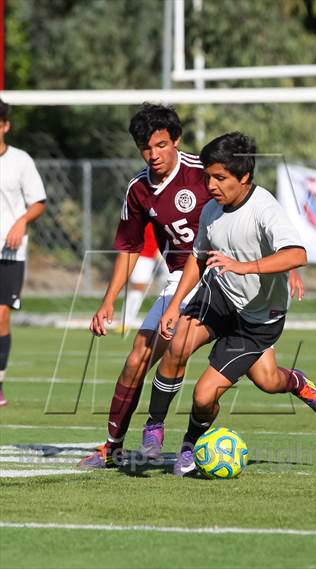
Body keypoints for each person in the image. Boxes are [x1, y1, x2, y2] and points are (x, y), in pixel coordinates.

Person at [79, 105, 304, 469]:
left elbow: (260, 220)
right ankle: (113, 447)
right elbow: (130, 248)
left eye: (161, 145)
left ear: (176, 140)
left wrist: (285, 270)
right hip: (183, 278)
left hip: (231, 281)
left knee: (264, 378)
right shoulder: (139, 189)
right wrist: (108, 301)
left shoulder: (207, 171)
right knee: (140, 357)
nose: (153, 155)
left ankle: (183, 435)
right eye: (145, 148)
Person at [154, 132, 316, 476]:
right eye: (207, 176)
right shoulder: (211, 210)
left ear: (245, 177)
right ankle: (158, 429)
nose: (210, 185)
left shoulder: (265, 208)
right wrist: (175, 304)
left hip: (257, 318)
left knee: (242, 387)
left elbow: (297, 254)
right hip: (221, 297)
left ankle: (296, 384)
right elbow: (197, 258)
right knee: (177, 343)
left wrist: (247, 267)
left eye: (219, 178)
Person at [0, 99, 47, 406]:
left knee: (1, 315)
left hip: (9, 251)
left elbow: (38, 202)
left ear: (5, 126)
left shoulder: (20, 161)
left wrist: (20, 222)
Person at [115, 222, 162, 334]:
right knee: (137, 288)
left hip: (153, 257)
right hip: (143, 256)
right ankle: (125, 322)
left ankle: (127, 321)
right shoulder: (145, 216)